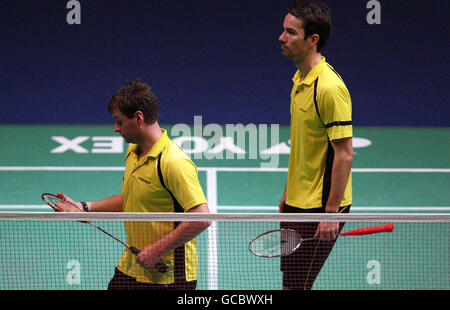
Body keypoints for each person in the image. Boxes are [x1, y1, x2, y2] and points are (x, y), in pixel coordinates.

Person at [58, 79, 210, 290]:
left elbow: (202, 218)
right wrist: (85, 208)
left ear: (139, 118)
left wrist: (156, 250)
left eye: (119, 121)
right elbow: (131, 200)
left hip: (167, 275)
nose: (115, 128)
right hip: (133, 264)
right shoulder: (133, 152)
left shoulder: (173, 162)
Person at [277, 1, 354, 290]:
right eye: (283, 30)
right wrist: (289, 191)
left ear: (312, 40)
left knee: (297, 286)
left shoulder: (329, 88)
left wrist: (330, 212)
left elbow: (344, 155)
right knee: (291, 283)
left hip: (320, 205)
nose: (281, 37)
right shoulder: (300, 79)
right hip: (298, 200)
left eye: (290, 32)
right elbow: (305, 149)